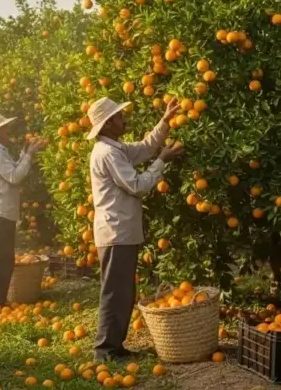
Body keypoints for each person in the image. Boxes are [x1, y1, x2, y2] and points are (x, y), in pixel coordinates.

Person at [87, 97, 185, 362]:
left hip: (122, 231)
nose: (124, 119)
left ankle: (114, 347)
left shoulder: (115, 148)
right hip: (115, 232)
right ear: (107, 125)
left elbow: (143, 149)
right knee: (115, 292)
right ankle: (105, 351)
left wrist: (164, 122)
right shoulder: (107, 154)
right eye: (119, 117)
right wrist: (163, 160)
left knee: (123, 291)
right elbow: (138, 185)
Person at [0, 111, 46, 305]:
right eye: (4, 128)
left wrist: (25, 152)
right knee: (1, 259)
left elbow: (11, 169)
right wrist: (30, 156)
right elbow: (14, 176)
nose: (7, 131)